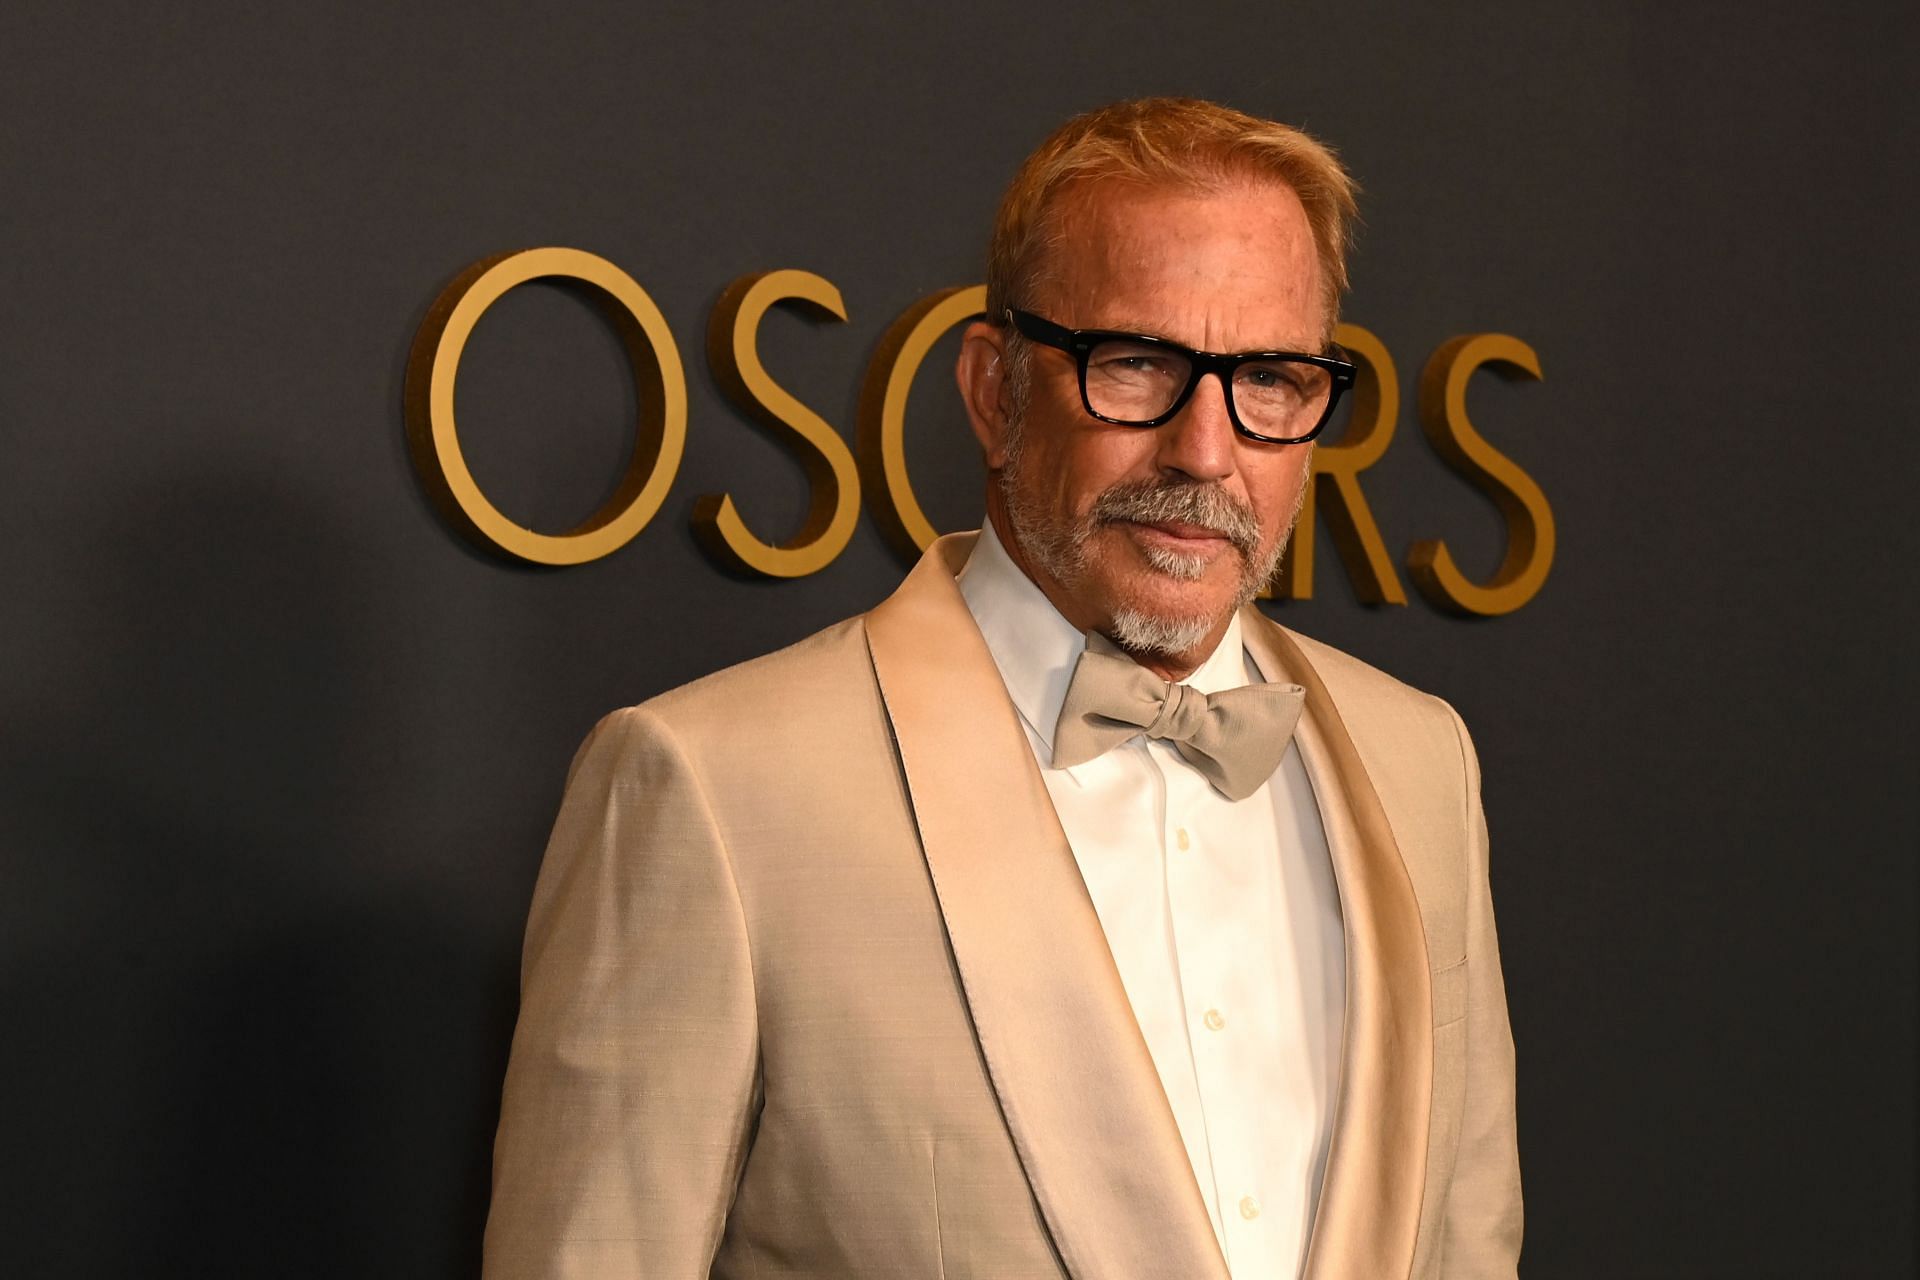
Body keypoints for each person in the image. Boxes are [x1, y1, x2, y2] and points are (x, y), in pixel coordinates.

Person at [482, 97, 1521, 1279]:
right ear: (994, 390)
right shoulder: (713, 788)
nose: (1206, 450)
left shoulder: (1421, 759)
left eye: (1271, 379)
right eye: (1137, 365)